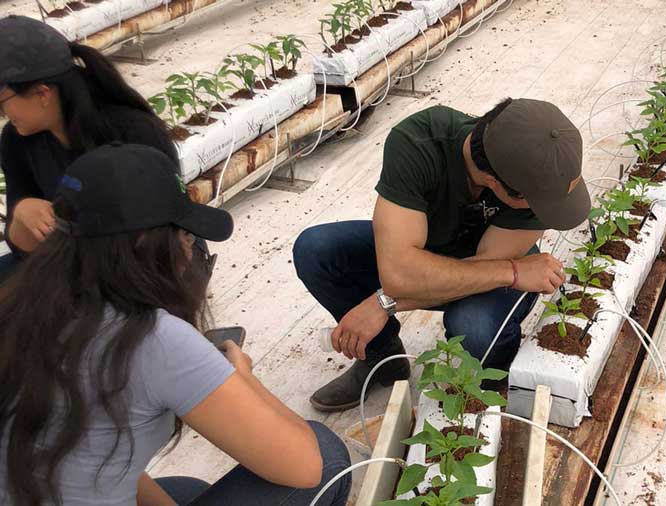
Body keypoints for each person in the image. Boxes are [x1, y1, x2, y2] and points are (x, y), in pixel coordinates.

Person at [0, 144, 351, 506]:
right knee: (327, 457)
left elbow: (103, 459)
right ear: (144, 246)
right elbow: (304, 467)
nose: (188, 251)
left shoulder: (24, 304)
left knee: (185, 491)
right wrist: (246, 380)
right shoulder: (151, 338)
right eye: (184, 237)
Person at [294, 98, 590, 412]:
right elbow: (399, 275)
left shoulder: (539, 180)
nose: (547, 210)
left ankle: (486, 392)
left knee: (473, 327)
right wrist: (386, 299)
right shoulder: (419, 141)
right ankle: (383, 358)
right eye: (539, 203)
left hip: (496, 267)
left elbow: (483, 269)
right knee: (318, 250)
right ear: (494, 183)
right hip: (438, 254)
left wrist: (514, 273)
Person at [0, 15, 177, 282]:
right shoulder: (17, 139)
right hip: (70, 264)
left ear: (42, 94)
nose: (2, 113)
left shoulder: (133, 133)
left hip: (146, 271)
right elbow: (24, 251)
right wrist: (23, 211)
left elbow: (163, 237)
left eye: (2, 100)